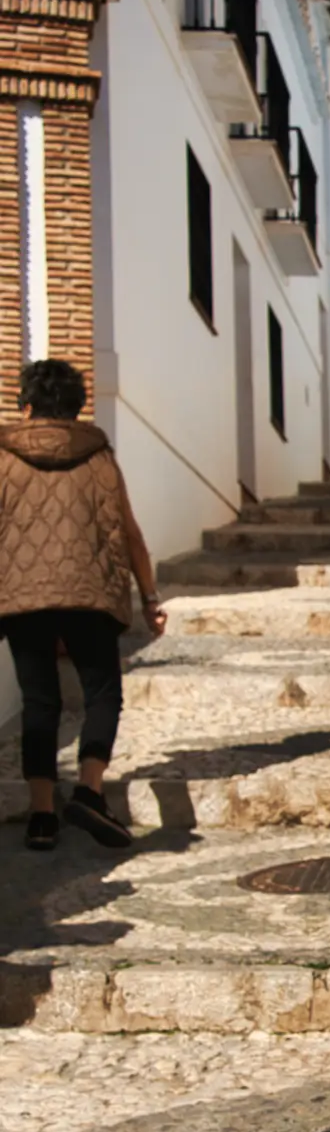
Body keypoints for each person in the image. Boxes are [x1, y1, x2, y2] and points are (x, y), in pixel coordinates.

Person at [0, 357, 166, 851]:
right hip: (90, 593)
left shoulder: (4, 458)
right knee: (102, 692)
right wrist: (150, 597)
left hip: (23, 596)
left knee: (39, 700)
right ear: (75, 408)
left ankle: (42, 816)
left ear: (27, 406)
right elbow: (130, 532)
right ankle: (89, 790)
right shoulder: (99, 457)